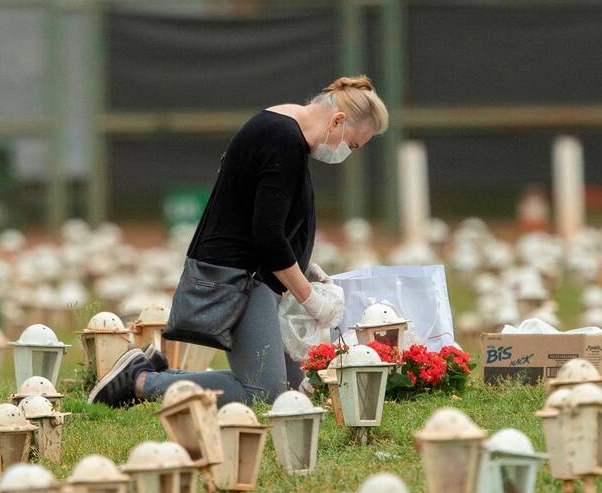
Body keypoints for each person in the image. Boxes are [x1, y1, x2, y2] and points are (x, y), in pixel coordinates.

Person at [88, 75, 389, 407]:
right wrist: (309, 299)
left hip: (252, 274)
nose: (347, 152)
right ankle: (140, 381)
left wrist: (306, 265)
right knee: (265, 393)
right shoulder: (283, 140)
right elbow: (267, 236)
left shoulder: (283, 124)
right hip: (242, 279)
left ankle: (155, 372)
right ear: (337, 120)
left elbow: (264, 214)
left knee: (295, 387)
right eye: (353, 144)